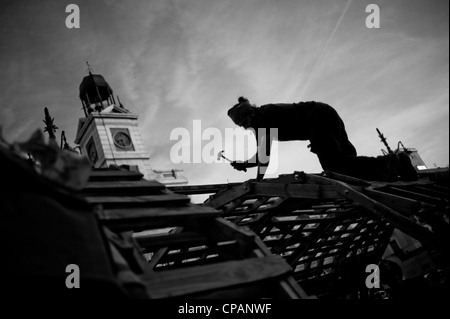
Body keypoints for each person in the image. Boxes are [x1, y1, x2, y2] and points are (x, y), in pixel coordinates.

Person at [227, 96, 418, 181]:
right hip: (325, 114)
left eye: (243, 123)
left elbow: (264, 159)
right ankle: (391, 171)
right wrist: (245, 164)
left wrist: (257, 182)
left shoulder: (263, 119)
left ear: (249, 114)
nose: (245, 128)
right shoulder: (262, 118)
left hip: (319, 119)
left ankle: (395, 162)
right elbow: (262, 157)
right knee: (346, 164)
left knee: (335, 167)